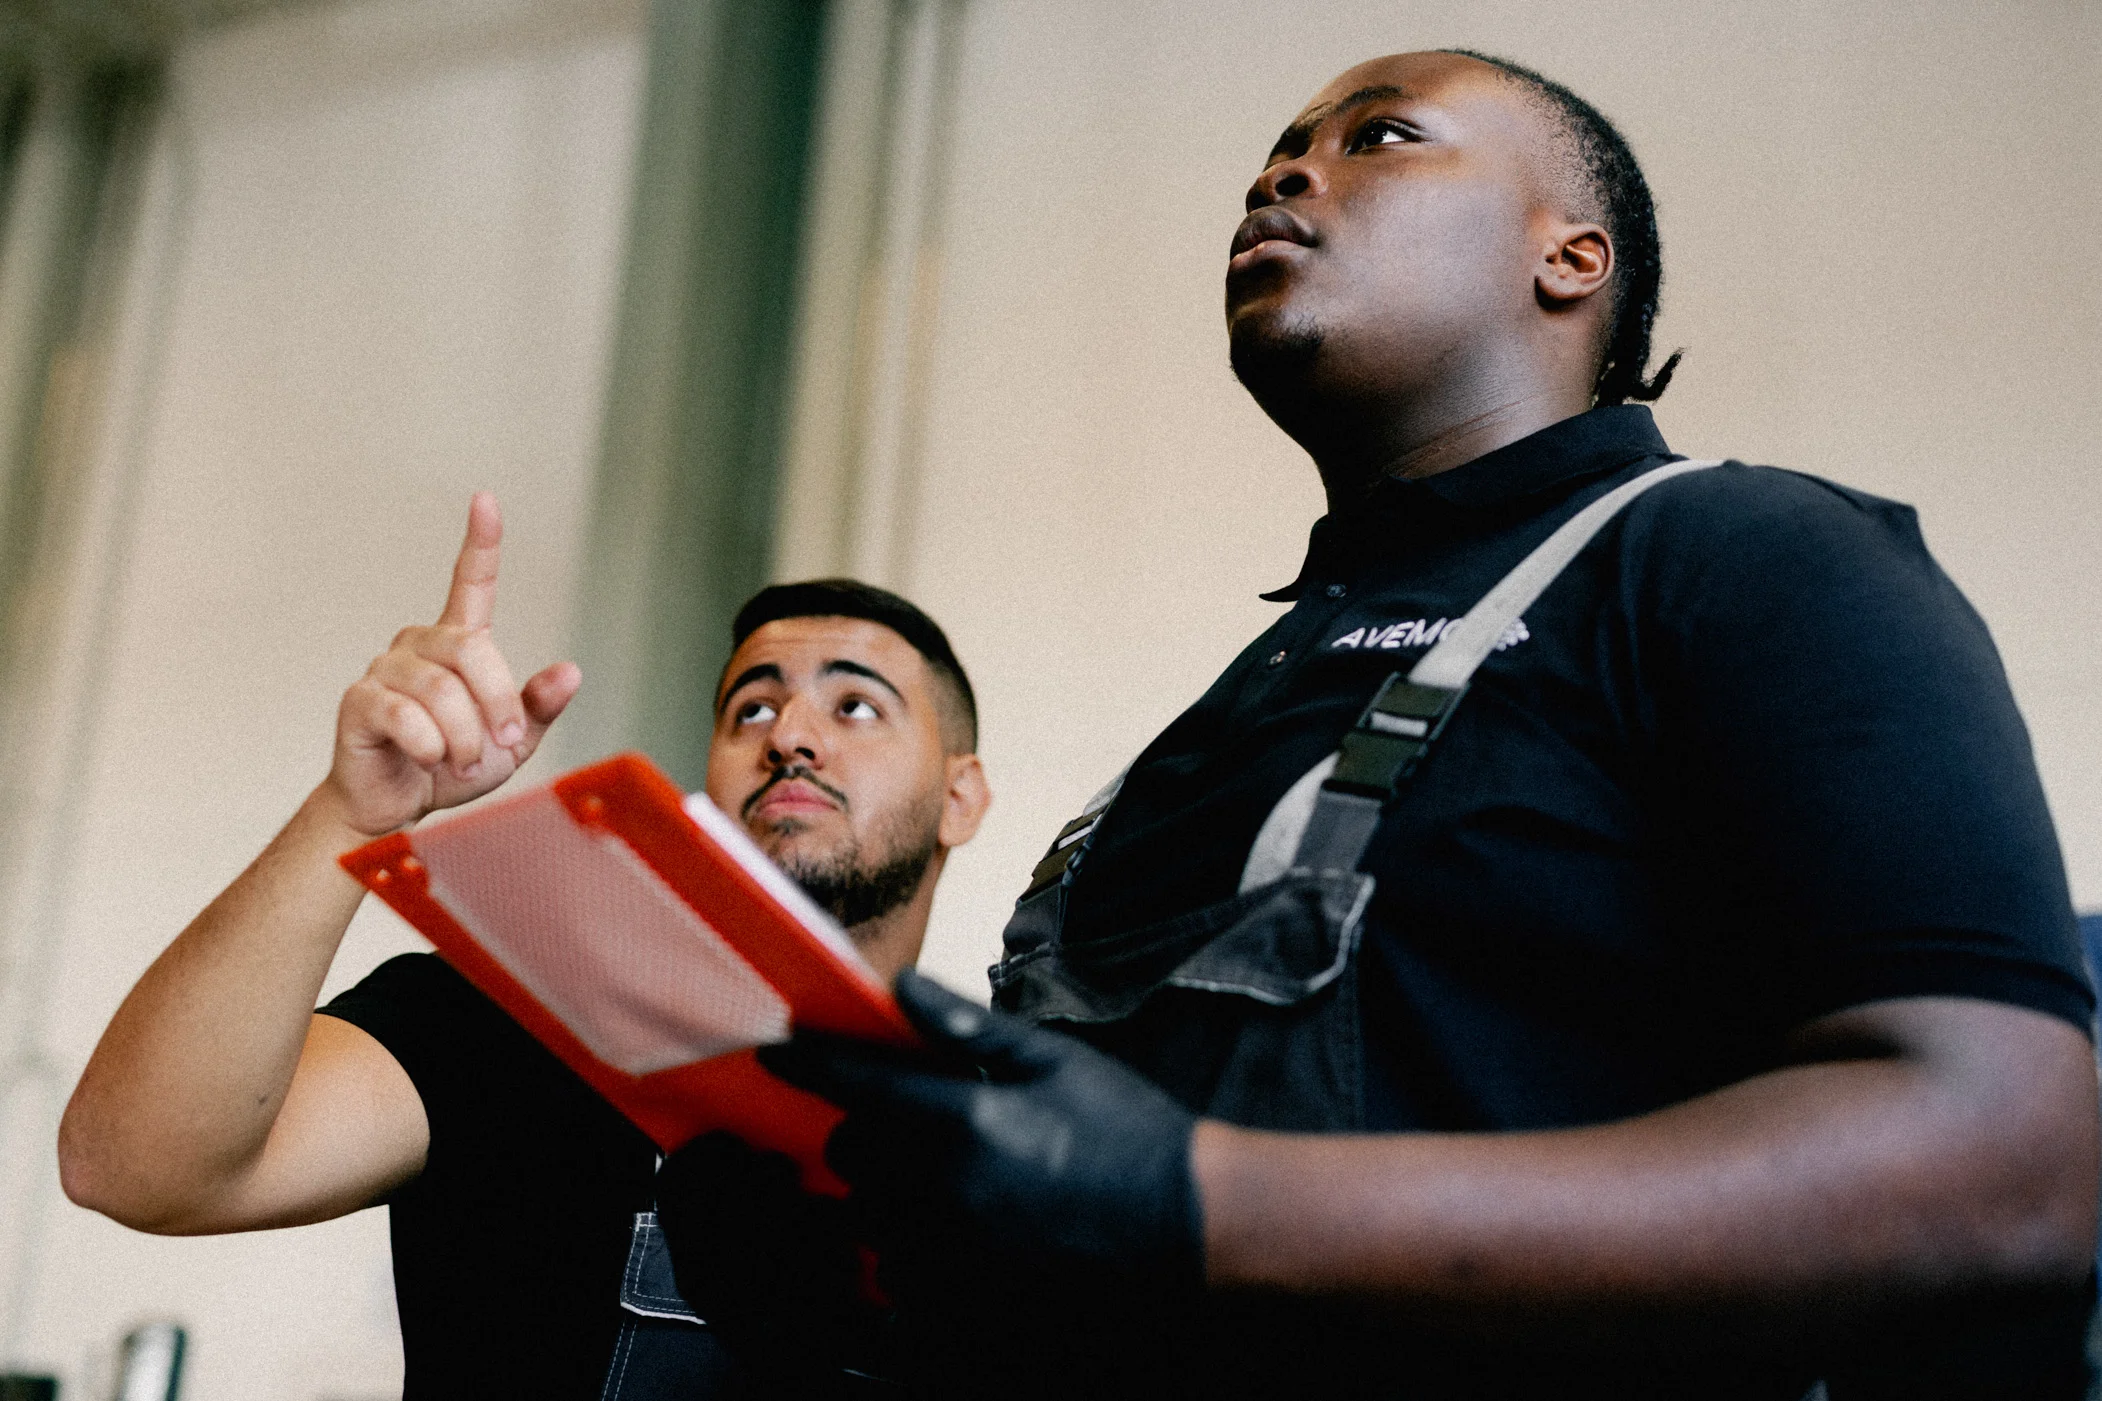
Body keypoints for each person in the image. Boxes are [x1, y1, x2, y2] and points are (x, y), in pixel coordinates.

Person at [671, 49, 2100, 1399]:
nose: (1281, 176)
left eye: (1381, 137)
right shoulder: (1233, 709)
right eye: (1277, 153)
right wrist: (869, 1272)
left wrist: (1201, 1200)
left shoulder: (1738, 555)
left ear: (1568, 257)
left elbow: (2006, 1166)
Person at [55, 493, 992, 1399]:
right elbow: (131, 1165)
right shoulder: (518, 1019)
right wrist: (348, 814)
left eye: (855, 706)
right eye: (751, 708)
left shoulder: (1005, 1146)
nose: (788, 735)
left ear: (961, 796)